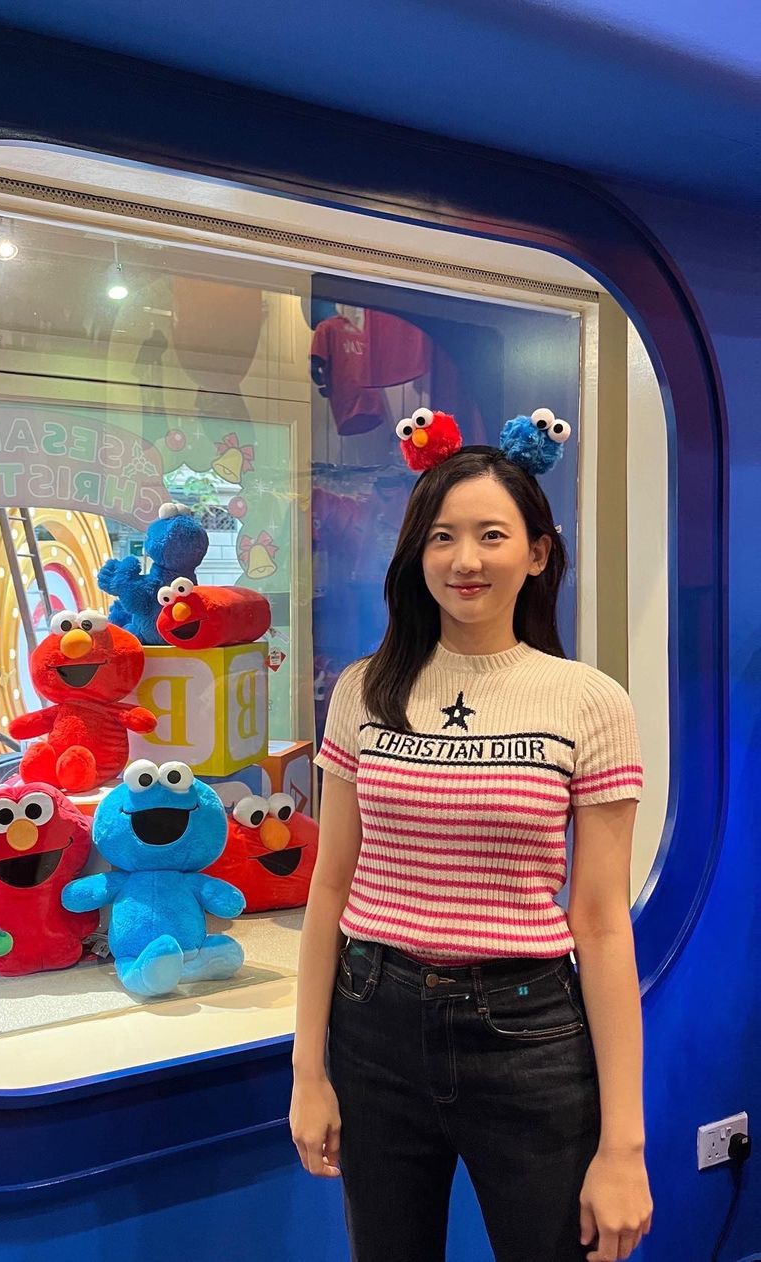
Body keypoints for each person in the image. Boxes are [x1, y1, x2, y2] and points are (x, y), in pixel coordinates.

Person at [290, 436, 653, 1262]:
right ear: (416, 553)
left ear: (537, 553)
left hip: (527, 1034)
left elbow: (601, 924)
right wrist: (308, 1070)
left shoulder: (589, 701)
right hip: (372, 1022)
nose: (465, 560)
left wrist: (623, 1145)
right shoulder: (364, 688)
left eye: (492, 535)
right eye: (442, 536)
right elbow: (329, 887)